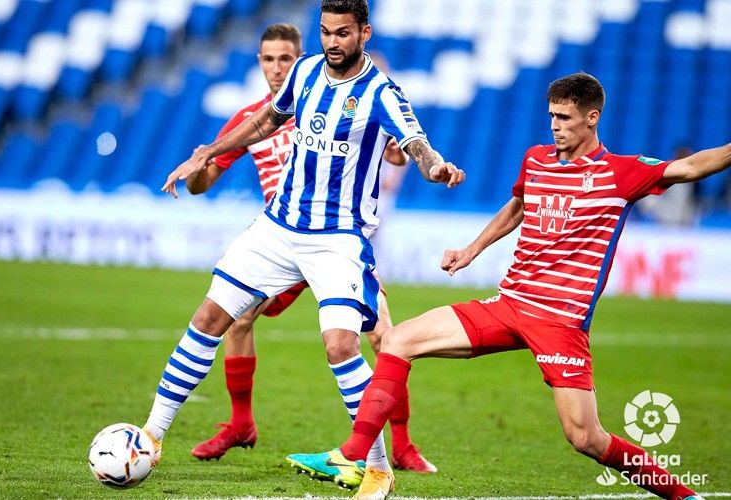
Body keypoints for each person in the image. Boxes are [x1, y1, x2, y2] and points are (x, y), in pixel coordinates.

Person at [286, 72, 730, 500]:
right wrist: (471, 249)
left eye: (565, 118)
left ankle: (683, 496)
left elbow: (690, 166)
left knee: (586, 437)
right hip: (509, 304)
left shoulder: (620, 173)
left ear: (592, 117)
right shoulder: (536, 159)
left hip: (560, 322)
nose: (555, 126)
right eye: (551, 116)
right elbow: (517, 205)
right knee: (398, 340)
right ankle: (352, 454)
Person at [143, 0, 463, 492]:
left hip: (337, 238)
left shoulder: (381, 92)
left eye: (342, 33)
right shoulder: (307, 71)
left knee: (342, 345)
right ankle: (151, 436)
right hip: (278, 227)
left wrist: (435, 166)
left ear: (364, 33)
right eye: (326, 32)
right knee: (210, 318)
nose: (332, 42)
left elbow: (415, 144)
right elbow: (266, 121)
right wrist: (208, 151)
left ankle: (378, 469)